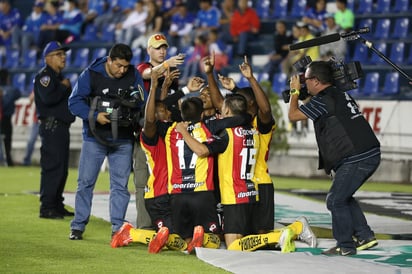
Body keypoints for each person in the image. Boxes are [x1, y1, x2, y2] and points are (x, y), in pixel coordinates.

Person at [288, 60, 381, 256]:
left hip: (356, 156)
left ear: (315, 81)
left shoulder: (324, 99)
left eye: (305, 80)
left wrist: (294, 92)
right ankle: (364, 235)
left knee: (335, 200)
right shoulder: (337, 93)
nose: (304, 83)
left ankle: (345, 245)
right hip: (366, 152)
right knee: (344, 196)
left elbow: (293, 115)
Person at [68, 43, 146, 240]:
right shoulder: (92, 73)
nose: (122, 71)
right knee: (85, 183)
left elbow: (141, 101)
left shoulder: (132, 73)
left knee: (120, 186)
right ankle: (77, 226)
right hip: (95, 138)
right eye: (118, 66)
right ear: (109, 60)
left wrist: (132, 104)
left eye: (125, 67)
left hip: (123, 138)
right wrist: (94, 115)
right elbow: (74, 101)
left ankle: (118, 228)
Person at [33, 41, 75, 218]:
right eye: (59, 54)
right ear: (48, 58)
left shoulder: (58, 78)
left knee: (62, 168)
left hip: (61, 127)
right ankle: (47, 206)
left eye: (63, 54)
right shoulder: (45, 77)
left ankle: (57, 203)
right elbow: (49, 98)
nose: (63, 57)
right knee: (53, 167)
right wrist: (64, 87)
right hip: (52, 127)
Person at [0, 68, 21, 166]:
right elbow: (18, 94)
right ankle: (8, 160)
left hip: (2, 116)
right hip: (6, 118)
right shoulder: (12, 90)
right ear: (7, 78)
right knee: (7, 140)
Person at [23, 91, 40, 166]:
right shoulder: (38, 87)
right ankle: (26, 160)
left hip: (47, 119)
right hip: (37, 120)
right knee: (31, 140)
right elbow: (30, 100)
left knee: (48, 142)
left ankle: (49, 162)